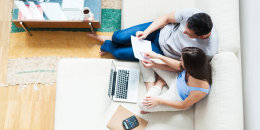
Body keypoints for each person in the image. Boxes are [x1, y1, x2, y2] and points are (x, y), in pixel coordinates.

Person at [87, 8, 218, 61]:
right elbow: (166, 18)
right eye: (185, 27)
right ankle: (113, 40)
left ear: (200, 36)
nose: (183, 31)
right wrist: (146, 32)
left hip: (161, 52)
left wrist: (158, 60)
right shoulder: (193, 14)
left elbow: (181, 66)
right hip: (159, 31)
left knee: (118, 54)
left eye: (188, 33)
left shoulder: (206, 52)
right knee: (118, 37)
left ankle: (107, 44)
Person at [138, 47, 211, 113]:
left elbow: (183, 105)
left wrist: (159, 101)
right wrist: (155, 63)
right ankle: (152, 89)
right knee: (144, 57)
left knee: (142, 105)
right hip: (176, 78)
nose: (180, 60)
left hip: (177, 97)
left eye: (181, 60)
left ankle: (159, 84)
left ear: (189, 66)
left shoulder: (201, 89)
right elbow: (178, 67)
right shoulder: (197, 66)